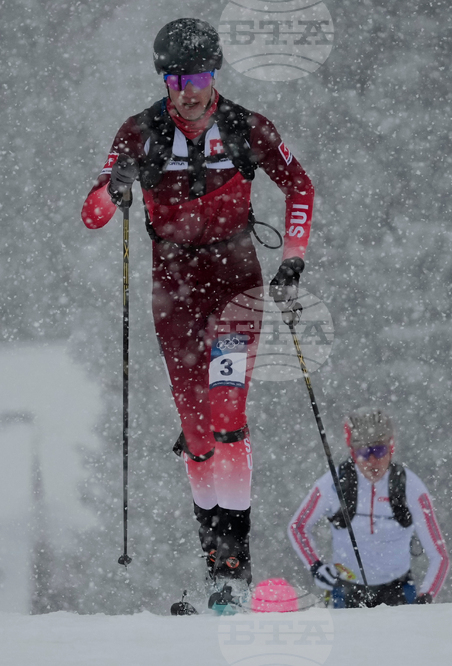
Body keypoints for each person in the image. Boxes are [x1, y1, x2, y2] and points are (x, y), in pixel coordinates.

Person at [81, 19, 314, 604]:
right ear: (165, 79)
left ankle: (237, 565)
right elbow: (91, 215)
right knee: (198, 433)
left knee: (227, 411)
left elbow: (300, 186)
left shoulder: (247, 127)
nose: (190, 89)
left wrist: (292, 258)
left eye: (201, 76)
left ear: (216, 74)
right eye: (178, 78)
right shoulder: (139, 133)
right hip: (174, 293)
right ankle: (217, 571)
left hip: (236, 285)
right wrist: (117, 189)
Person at [288, 407, 450, 608]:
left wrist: (426, 596)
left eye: (379, 450)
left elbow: (440, 555)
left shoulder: (411, 487)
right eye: (364, 452)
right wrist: (316, 567)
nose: (373, 461)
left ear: (391, 448)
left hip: (398, 591)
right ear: (353, 453)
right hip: (346, 590)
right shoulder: (335, 483)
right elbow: (298, 527)